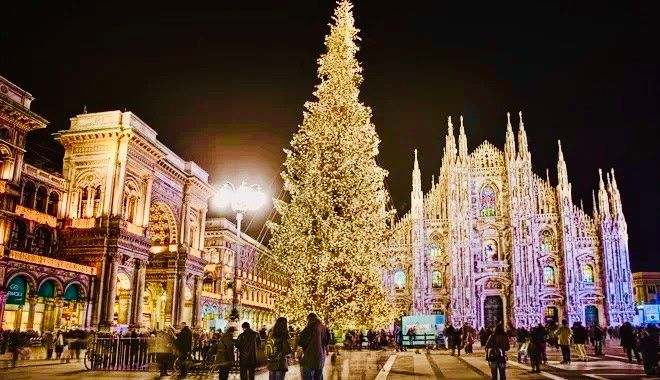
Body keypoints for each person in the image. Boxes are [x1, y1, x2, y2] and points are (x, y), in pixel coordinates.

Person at [297, 312, 331, 380]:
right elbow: (327, 342)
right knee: (318, 376)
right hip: (320, 358)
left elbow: (301, 342)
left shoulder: (308, 328)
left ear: (309, 319)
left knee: (307, 376)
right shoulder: (324, 328)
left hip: (309, 357)